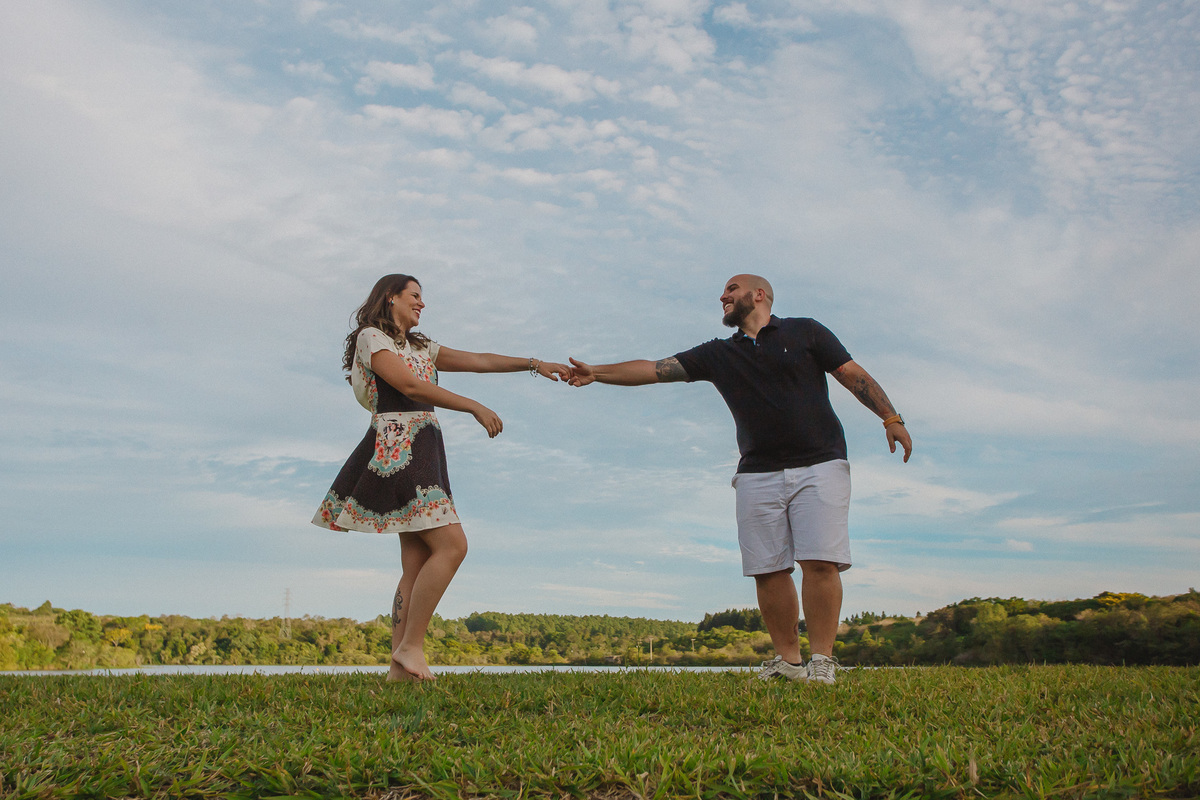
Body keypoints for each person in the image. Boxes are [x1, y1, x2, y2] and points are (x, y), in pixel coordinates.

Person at [568, 274, 912, 685]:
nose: (722, 296)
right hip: (756, 472)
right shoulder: (718, 355)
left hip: (820, 463)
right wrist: (597, 372)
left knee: (819, 561)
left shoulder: (806, 331)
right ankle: (788, 662)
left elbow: (851, 373)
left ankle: (822, 662)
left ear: (758, 294)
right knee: (768, 569)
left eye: (731, 289)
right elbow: (654, 369)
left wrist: (890, 417)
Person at [312, 274, 570, 681]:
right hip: (398, 448)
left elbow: (480, 360)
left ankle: (399, 669)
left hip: (424, 447)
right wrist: (473, 407)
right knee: (453, 545)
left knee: (416, 563)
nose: (422, 303)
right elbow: (408, 384)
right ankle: (412, 648)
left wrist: (535, 364)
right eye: (415, 296)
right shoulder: (371, 338)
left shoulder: (420, 346)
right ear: (390, 297)